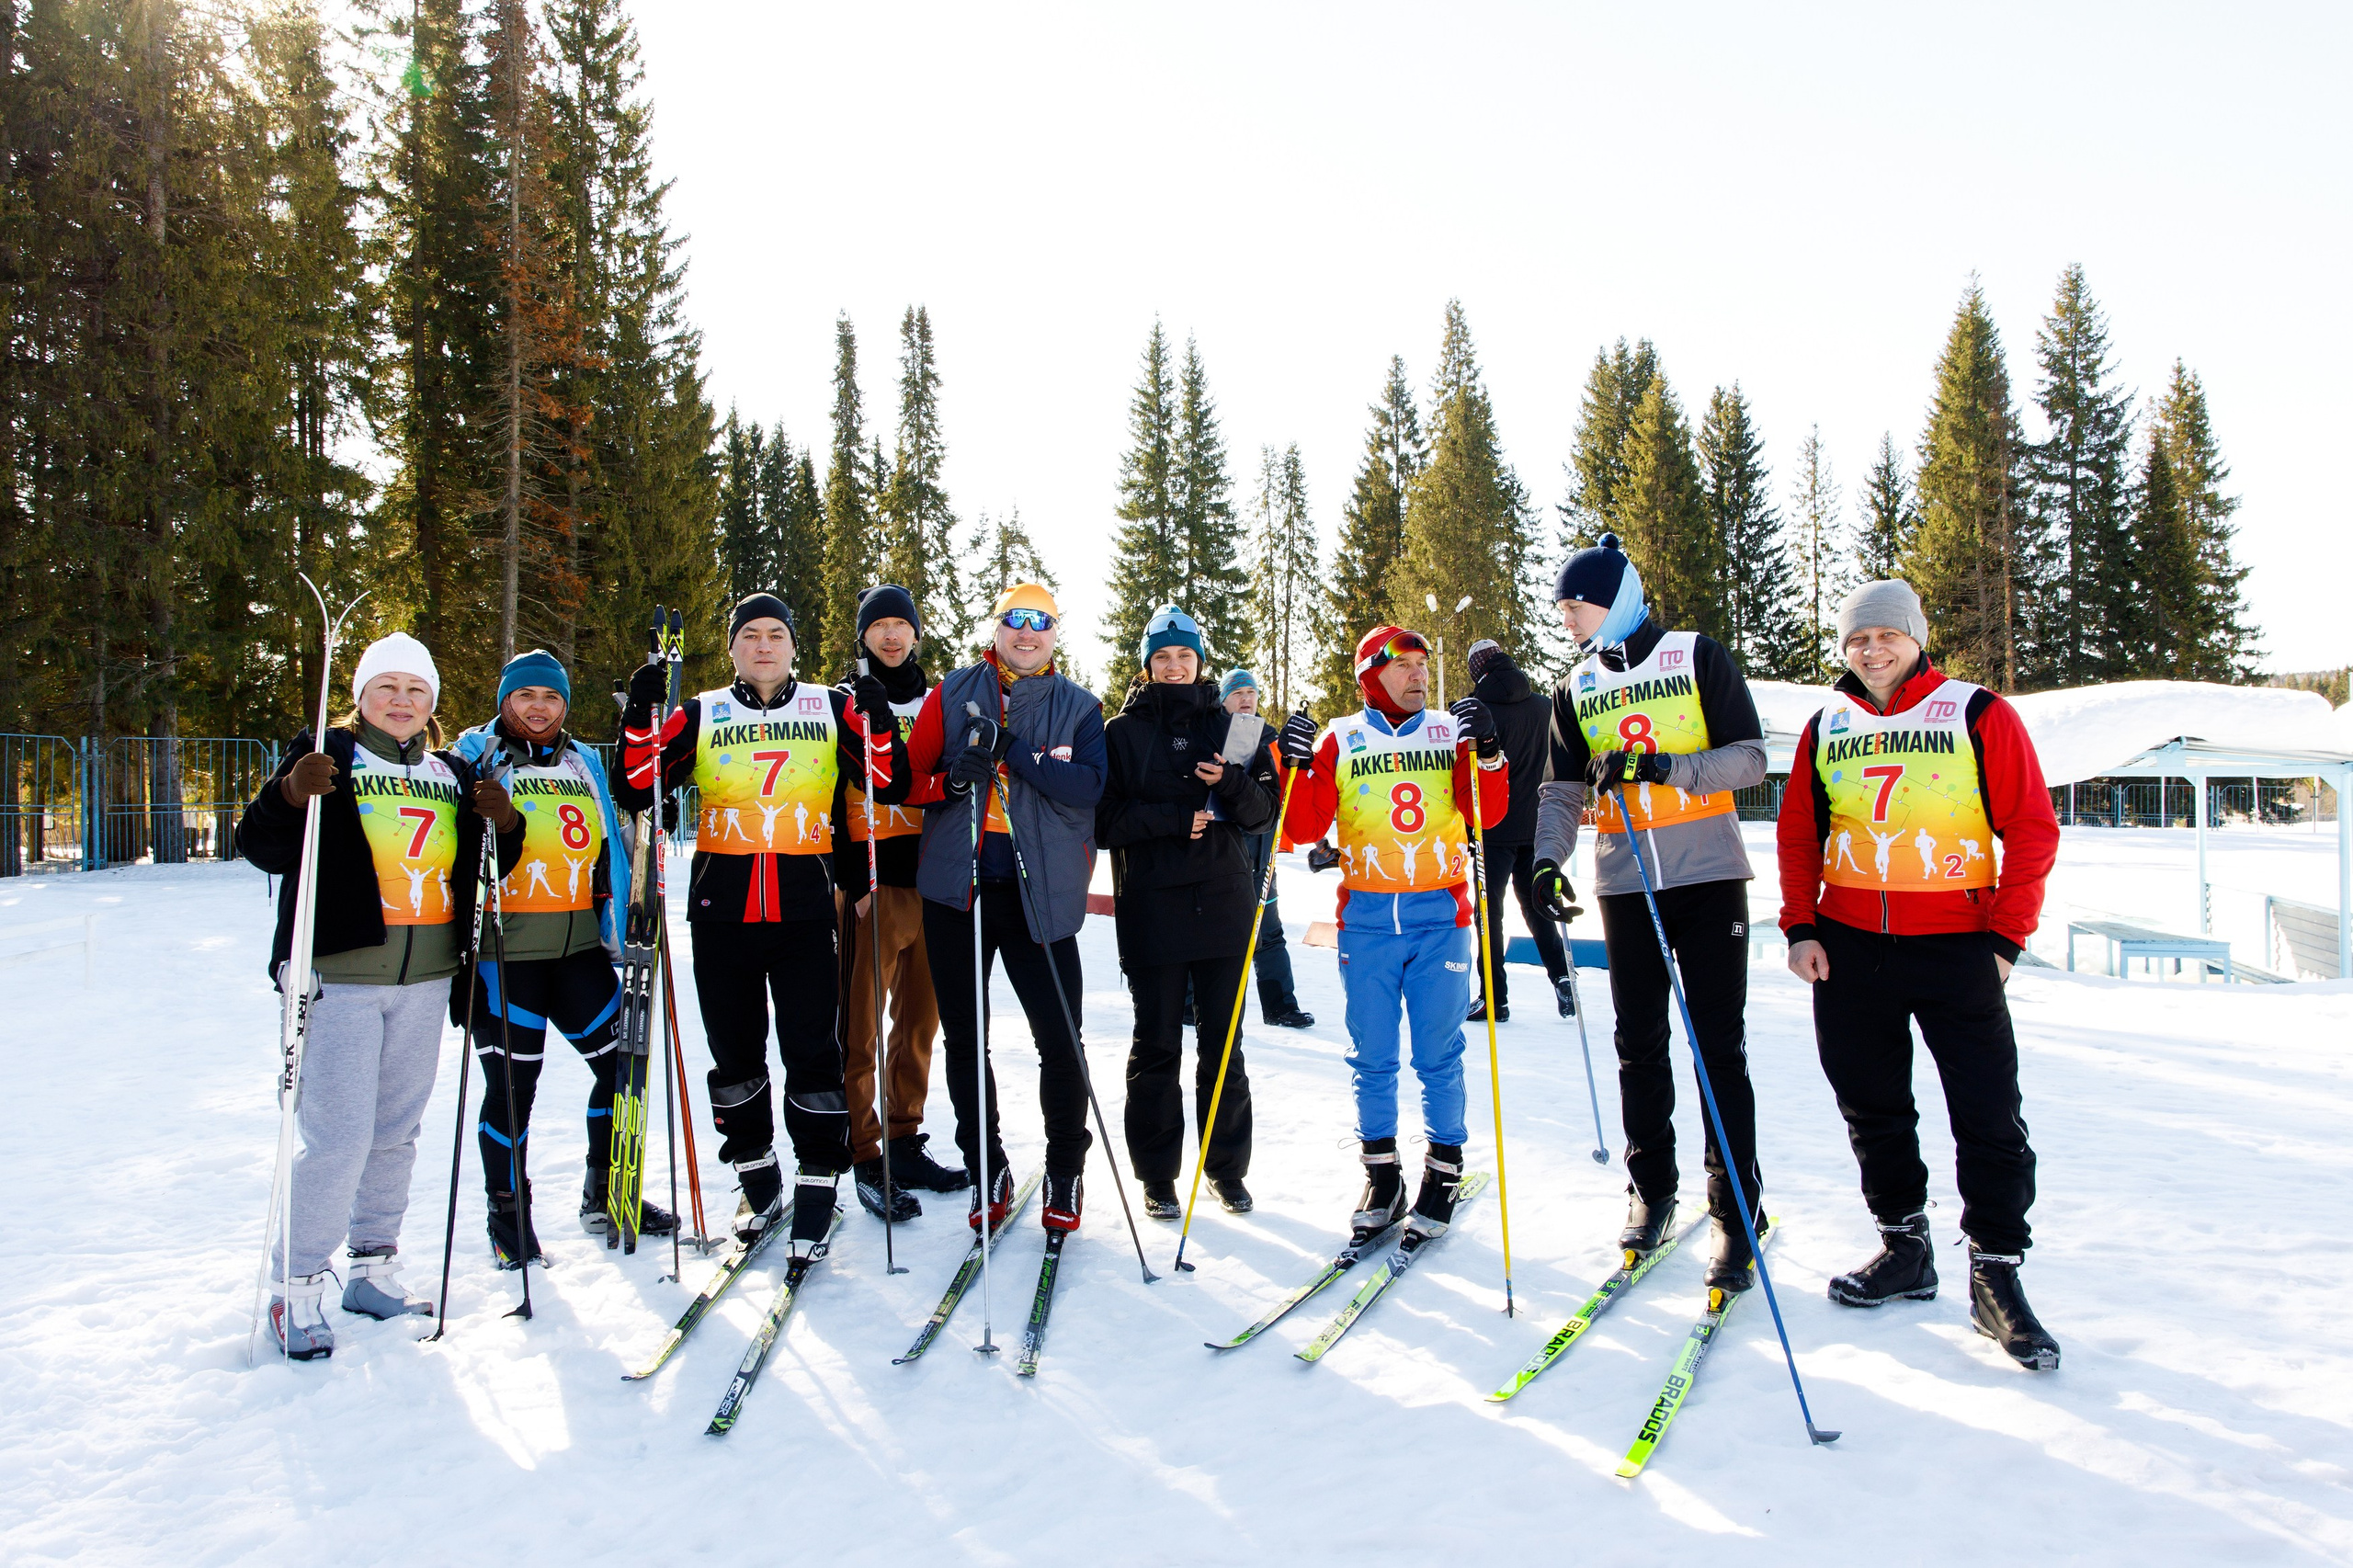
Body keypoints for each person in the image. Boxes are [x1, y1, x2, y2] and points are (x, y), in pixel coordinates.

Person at [1779, 579, 2062, 1370]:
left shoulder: (1976, 712)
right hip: (1849, 945)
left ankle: (1996, 1274)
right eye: (1857, 639)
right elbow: (1801, 831)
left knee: (1987, 1113)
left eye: (1886, 636)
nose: (1871, 650)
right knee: (1872, 1107)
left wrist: (2006, 940)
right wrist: (1801, 925)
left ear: (1915, 637)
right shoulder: (1826, 723)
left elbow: (2032, 829)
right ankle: (1905, 1247)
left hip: (1957, 947)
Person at [236, 633, 522, 1358]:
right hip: (340, 978)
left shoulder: (451, 770)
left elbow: (490, 862)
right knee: (337, 1138)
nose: (401, 700)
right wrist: (287, 793)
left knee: (396, 1130)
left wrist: (505, 822)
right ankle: (295, 1285)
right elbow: (261, 846)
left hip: (425, 978)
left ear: (432, 703)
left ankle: (373, 1264)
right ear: (362, 694)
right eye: (386, 686)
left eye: (415, 689)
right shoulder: (330, 757)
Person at [617, 594, 907, 1258]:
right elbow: (638, 787)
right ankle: (755, 1176)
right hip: (723, 913)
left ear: (793, 645)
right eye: (751, 636)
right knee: (736, 1053)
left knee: (813, 1050)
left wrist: (877, 713)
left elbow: (887, 780)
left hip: (805, 912)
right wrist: (641, 715)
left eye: (777, 634)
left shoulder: (831, 708)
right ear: (733, 649)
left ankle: (818, 1178)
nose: (765, 646)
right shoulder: (703, 712)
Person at [1532, 532, 1769, 1290]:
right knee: (1638, 1042)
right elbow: (1562, 793)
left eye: (1579, 604)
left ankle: (1736, 1208)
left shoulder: (1695, 656)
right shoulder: (1576, 688)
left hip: (1705, 877)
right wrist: (1546, 860)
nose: (1568, 618)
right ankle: (1652, 1187)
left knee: (1714, 1046)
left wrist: (1668, 768)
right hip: (1625, 883)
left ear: (1617, 596)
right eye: (1563, 607)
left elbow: (1751, 758)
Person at [1277, 624, 1507, 1248]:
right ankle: (1382, 1176)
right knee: (1372, 1056)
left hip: (1441, 922)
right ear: (1371, 674)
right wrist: (1291, 761)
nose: (1419, 676)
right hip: (1369, 923)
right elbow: (1300, 825)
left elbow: (1489, 812)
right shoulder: (1342, 737)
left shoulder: (1447, 730)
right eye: (1405, 665)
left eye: (1424, 667)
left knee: (1438, 1054)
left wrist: (1487, 750)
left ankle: (1444, 1170)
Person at [448, 649, 672, 1266]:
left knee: (623, 1070)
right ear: (505, 701)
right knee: (514, 1091)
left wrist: (630, 896)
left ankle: (605, 1192)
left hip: (577, 951)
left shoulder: (582, 761)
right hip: (504, 956)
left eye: (551, 698)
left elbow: (611, 833)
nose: (539, 708)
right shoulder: (472, 757)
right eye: (526, 696)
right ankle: (507, 1216)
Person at [904, 583, 1106, 1236]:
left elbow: (1087, 788)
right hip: (957, 892)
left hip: (1038, 895)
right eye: (1014, 622)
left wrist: (1013, 752)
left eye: (1041, 623)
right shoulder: (954, 691)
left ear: (1054, 633)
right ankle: (985, 1164)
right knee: (966, 1040)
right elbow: (907, 782)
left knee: (1061, 1041)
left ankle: (1065, 1168)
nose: (1027, 634)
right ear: (995, 630)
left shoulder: (1079, 706)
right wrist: (954, 778)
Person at [1100, 611, 1283, 1221]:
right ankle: (1157, 1176)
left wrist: (1231, 782)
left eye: (1184, 656)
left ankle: (1226, 1170)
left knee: (1223, 1046)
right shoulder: (1121, 733)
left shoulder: (1233, 726)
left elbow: (1263, 817)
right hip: (1153, 909)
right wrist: (1173, 819)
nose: (1174, 667)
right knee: (1156, 1047)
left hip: (1224, 906)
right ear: (1147, 665)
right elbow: (1103, 824)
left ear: (1199, 661)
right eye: (1162, 658)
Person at [832, 585, 969, 1221]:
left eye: (900, 625)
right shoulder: (844, 701)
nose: (890, 636)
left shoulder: (941, 698)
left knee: (919, 1024)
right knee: (860, 1026)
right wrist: (851, 884)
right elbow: (831, 794)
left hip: (935, 880)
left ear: (916, 633)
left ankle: (906, 1138)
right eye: (878, 625)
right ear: (863, 636)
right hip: (875, 883)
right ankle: (864, 1149)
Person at [1461, 638, 1569, 1022]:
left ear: (1477, 671)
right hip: (1537, 825)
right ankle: (1562, 979)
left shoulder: (1479, 715)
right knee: (1538, 909)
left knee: (1490, 916)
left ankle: (1494, 997)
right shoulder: (1545, 706)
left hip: (1493, 831)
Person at [1216, 669, 1313, 1029]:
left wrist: (1297, 758)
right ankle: (1194, 1007)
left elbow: (1289, 793)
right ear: (1222, 699)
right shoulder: (1211, 734)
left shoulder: (1270, 740)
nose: (1246, 698)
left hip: (1262, 854)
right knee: (1216, 937)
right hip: (1221, 856)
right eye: (1237, 692)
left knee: (1268, 933)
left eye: (1252, 693)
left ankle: (1280, 1006)